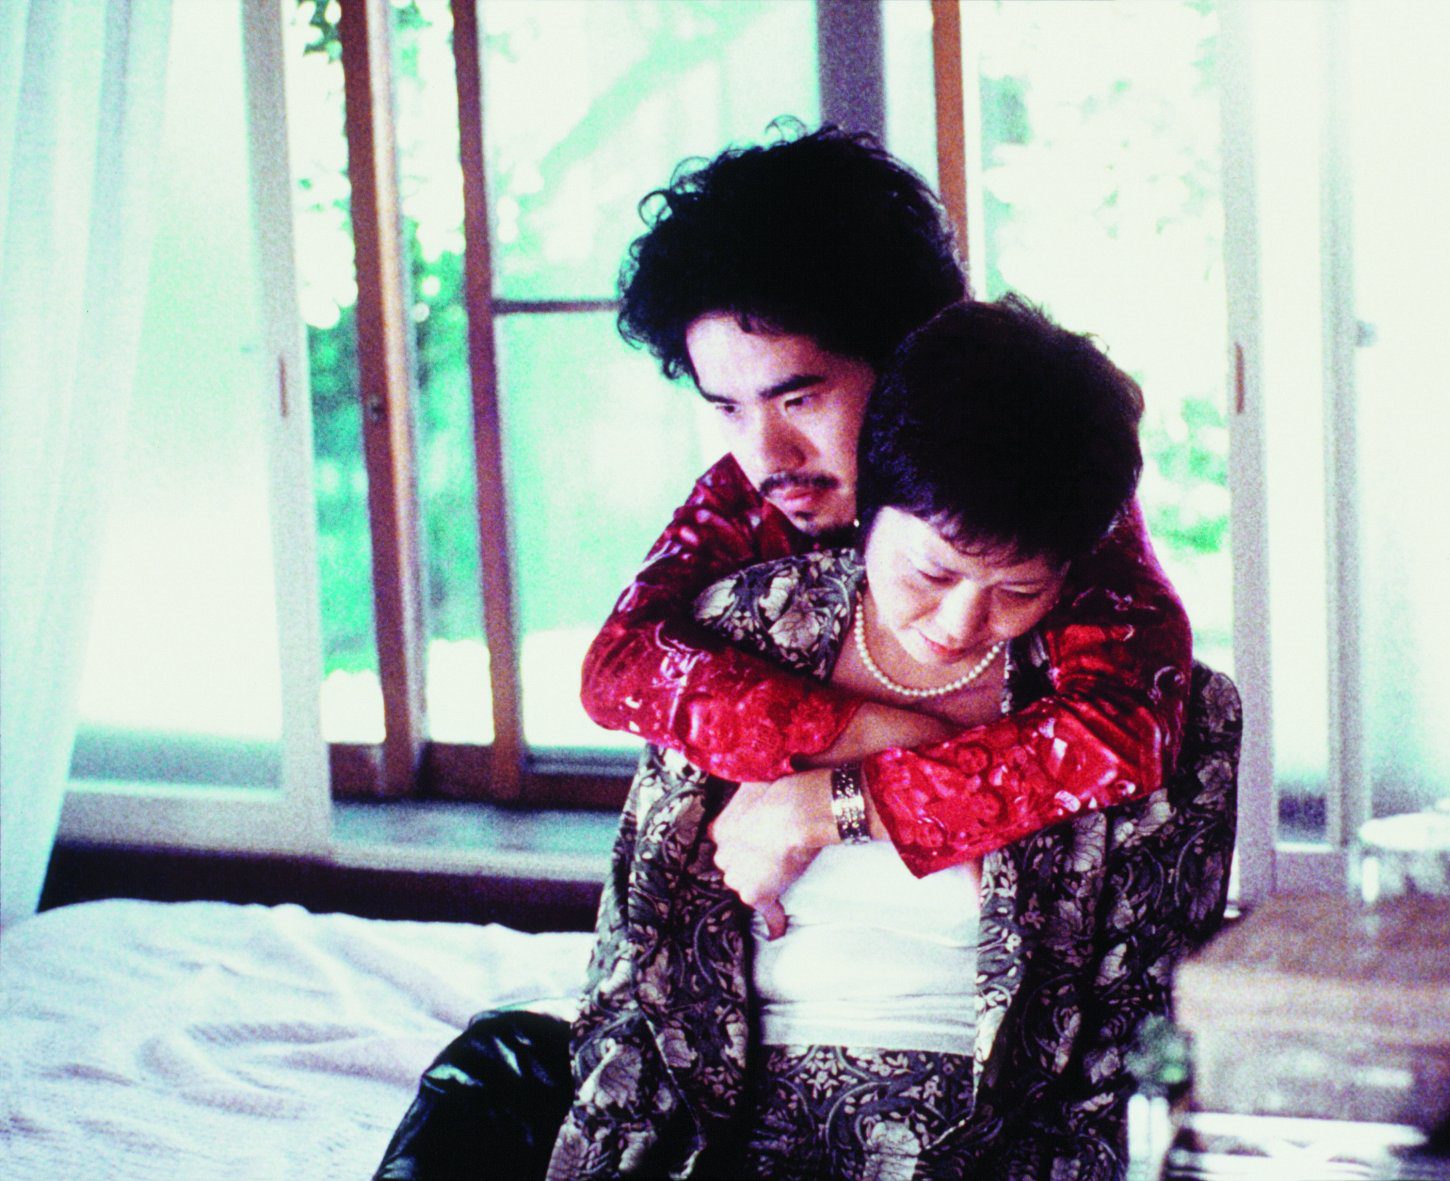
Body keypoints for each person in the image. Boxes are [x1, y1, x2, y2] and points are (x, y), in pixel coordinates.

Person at [372, 124, 1201, 1180]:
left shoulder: (1030, 499)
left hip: (965, 1067)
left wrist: (835, 805)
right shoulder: (755, 489)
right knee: (494, 1065)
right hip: (735, 1040)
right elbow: (619, 664)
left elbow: (1125, 728)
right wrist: (867, 729)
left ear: (911, 358)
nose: (763, 452)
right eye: (725, 405)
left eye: (799, 397)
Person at [547, 297, 1237, 1180]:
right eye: (930, 571)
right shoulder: (734, 631)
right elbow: (629, 980)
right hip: (718, 1137)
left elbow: (1134, 1050)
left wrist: (837, 802)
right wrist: (874, 732)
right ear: (875, 498)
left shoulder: (1140, 678)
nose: (958, 622)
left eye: (1018, 589)